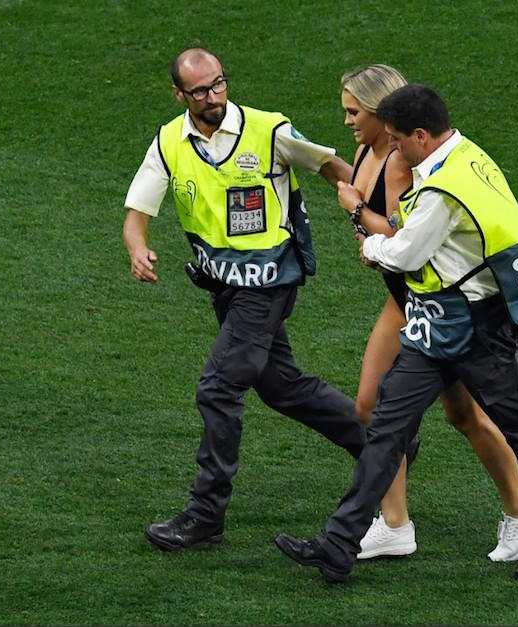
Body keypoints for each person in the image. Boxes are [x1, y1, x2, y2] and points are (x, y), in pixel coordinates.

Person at [275, 84, 518, 582]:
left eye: (398, 140)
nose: (394, 149)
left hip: (477, 328)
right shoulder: (465, 157)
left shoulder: (444, 189)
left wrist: (364, 233)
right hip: (437, 323)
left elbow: (405, 253)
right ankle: (338, 545)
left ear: (421, 135)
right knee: (384, 427)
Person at [123, 46, 371, 552]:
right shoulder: (170, 141)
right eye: (200, 90)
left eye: (219, 84)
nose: (213, 96)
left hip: (269, 283)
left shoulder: (269, 130)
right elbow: (138, 208)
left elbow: (329, 165)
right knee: (281, 386)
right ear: (179, 94)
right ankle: (385, 446)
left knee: (218, 389)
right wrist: (137, 247)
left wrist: (370, 212)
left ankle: (204, 515)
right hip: (226, 289)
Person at [336, 64, 518, 562]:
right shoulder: (368, 149)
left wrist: (357, 214)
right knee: (373, 408)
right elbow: (350, 181)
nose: (347, 121)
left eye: (354, 112)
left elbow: (408, 239)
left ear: (387, 118)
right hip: (401, 297)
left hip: (433, 300)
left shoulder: (407, 163)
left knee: (463, 414)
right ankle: (395, 523)